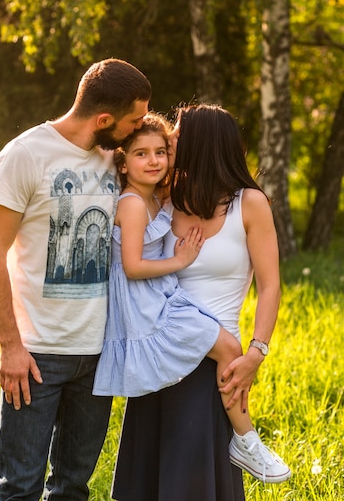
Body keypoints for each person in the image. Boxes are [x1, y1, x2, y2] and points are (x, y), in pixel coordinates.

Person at [0, 58, 151, 501]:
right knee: (19, 487)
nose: (137, 130)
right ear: (105, 119)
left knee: (73, 487)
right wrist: (11, 346)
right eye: (133, 121)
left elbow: (165, 160)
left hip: (97, 354)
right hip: (36, 355)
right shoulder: (24, 156)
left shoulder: (116, 158)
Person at [92, 112, 290, 486]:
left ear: (203, 143)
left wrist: (256, 352)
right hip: (159, 348)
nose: (169, 142)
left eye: (177, 135)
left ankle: (247, 442)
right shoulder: (166, 199)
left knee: (195, 484)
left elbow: (271, 286)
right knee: (154, 483)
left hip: (214, 359)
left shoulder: (249, 203)